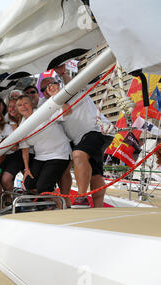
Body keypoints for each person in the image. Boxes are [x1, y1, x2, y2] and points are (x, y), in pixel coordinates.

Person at [45, 64, 108, 208]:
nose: (51, 87)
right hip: (87, 137)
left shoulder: (74, 91)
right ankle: (98, 208)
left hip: (98, 129)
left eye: (53, 84)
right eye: (46, 88)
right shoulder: (51, 110)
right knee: (95, 173)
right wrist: (56, 97)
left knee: (78, 154)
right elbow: (65, 111)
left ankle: (81, 198)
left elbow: (70, 84)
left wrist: (62, 74)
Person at [16, 95, 71, 196]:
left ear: (32, 104)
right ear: (17, 109)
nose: (23, 106)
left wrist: (59, 96)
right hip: (41, 157)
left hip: (59, 153)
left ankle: (59, 206)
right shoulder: (22, 126)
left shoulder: (43, 112)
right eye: (20, 105)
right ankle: (44, 204)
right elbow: (25, 149)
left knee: (43, 187)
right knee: (29, 184)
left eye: (25, 103)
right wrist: (27, 169)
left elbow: (67, 111)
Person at [0, 109, 22, 205]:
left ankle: (10, 199)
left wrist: (1, 141)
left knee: (5, 179)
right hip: (0, 157)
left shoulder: (7, 128)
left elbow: (14, 147)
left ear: (0, 118)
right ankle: (1, 197)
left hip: (13, 157)